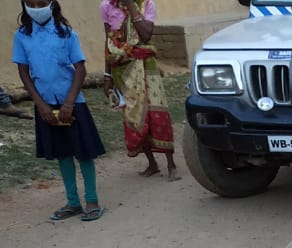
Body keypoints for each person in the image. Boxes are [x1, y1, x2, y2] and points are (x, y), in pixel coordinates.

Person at [12, 0, 107, 221]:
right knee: (62, 152)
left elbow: (80, 69)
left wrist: (69, 103)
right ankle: (73, 202)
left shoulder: (66, 33)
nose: (37, 6)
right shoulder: (22, 35)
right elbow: (23, 71)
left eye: (42, 2)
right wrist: (40, 104)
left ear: (52, 3)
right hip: (45, 103)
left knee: (83, 152)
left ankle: (91, 200)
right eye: (31, 2)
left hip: (72, 102)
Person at [100, 0, 177, 180]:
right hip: (122, 70)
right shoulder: (106, 6)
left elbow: (146, 35)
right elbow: (109, 42)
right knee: (135, 115)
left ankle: (171, 164)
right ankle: (152, 163)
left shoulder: (146, 4)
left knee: (156, 112)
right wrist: (107, 75)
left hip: (146, 66)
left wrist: (133, 8)